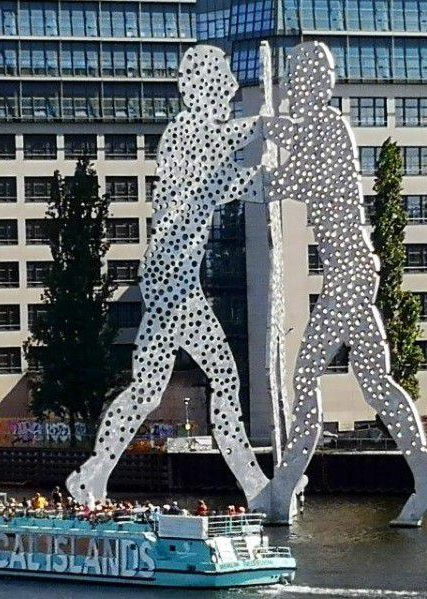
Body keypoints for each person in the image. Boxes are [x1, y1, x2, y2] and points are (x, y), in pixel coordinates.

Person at [255, 41, 427, 527]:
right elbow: (290, 140)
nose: (287, 91)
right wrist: (263, 127)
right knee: (376, 381)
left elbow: (302, 178)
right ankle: (426, 470)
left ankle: (284, 483)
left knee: (304, 375)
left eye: (293, 82)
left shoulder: (329, 126)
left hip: (348, 274)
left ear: (312, 83)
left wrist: (264, 177)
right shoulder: (317, 127)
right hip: (354, 271)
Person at [66, 44, 268, 507]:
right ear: (201, 88)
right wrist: (260, 128)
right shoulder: (184, 132)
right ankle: (254, 486)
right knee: (220, 376)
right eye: (222, 85)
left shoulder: (198, 139)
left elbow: (233, 182)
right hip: (172, 281)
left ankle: (91, 475)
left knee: (149, 390)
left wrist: (267, 172)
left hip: (173, 280)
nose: (230, 93)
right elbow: (217, 178)